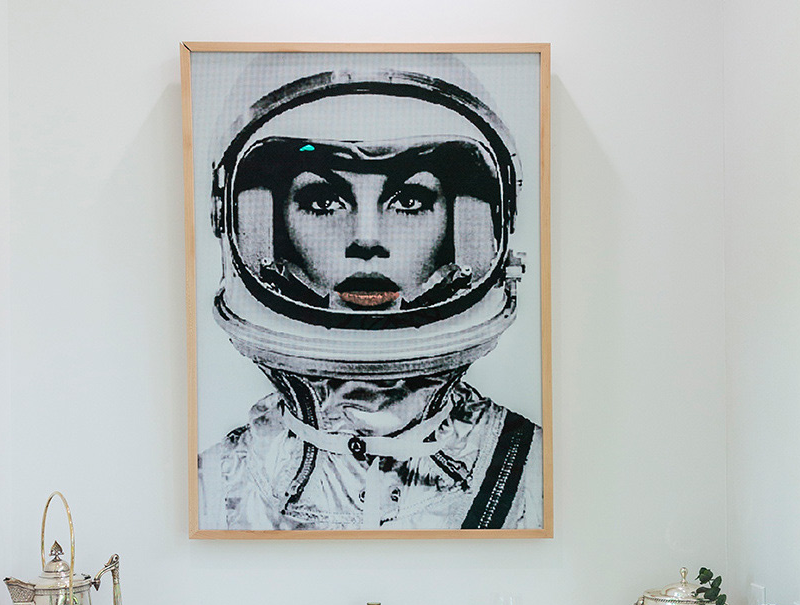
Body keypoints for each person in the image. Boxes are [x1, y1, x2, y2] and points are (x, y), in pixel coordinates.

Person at [197, 59, 542, 531]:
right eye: (323, 201)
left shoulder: (538, 482)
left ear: (464, 229)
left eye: (409, 201)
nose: (366, 238)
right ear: (266, 228)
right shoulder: (212, 495)